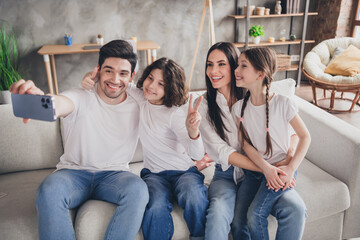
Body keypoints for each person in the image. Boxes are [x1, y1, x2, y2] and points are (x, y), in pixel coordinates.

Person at [9, 40, 149, 240]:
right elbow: (58, 103)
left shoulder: (139, 102)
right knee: (48, 190)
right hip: (73, 174)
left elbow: (168, 105)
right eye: (108, 70)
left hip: (115, 175)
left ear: (132, 77)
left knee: (139, 190)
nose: (115, 79)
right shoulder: (79, 96)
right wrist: (38, 99)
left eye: (123, 73)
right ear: (98, 70)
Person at [82, 57, 208, 240]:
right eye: (150, 78)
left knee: (195, 197)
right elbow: (119, 82)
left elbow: (196, 155)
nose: (151, 86)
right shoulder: (142, 98)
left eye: (161, 83)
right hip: (154, 175)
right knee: (155, 206)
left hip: (184, 173)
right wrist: (90, 77)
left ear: (171, 88)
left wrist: (193, 131)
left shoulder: (174, 114)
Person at [196, 42, 307, 240]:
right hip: (235, 173)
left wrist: (288, 162)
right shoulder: (205, 105)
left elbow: (293, 133)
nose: (213, 71)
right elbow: (225, 151)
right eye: (209, 64)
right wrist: (268, 169)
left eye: (222, 64)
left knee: (295, 208)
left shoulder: (255, 93)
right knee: (224, 215)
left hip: (267, 170)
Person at [232, 47, 311, 240]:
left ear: (261, 74)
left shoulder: (283, 103)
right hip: (255, 173)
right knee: (238, 220)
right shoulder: (238, 109)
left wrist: (291, 169)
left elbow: (305, 137)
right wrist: (265, 168)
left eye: (243, 66)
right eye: (237, 65)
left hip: (281, 170)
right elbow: (246, 145)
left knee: (255, 214)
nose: (236, 70)